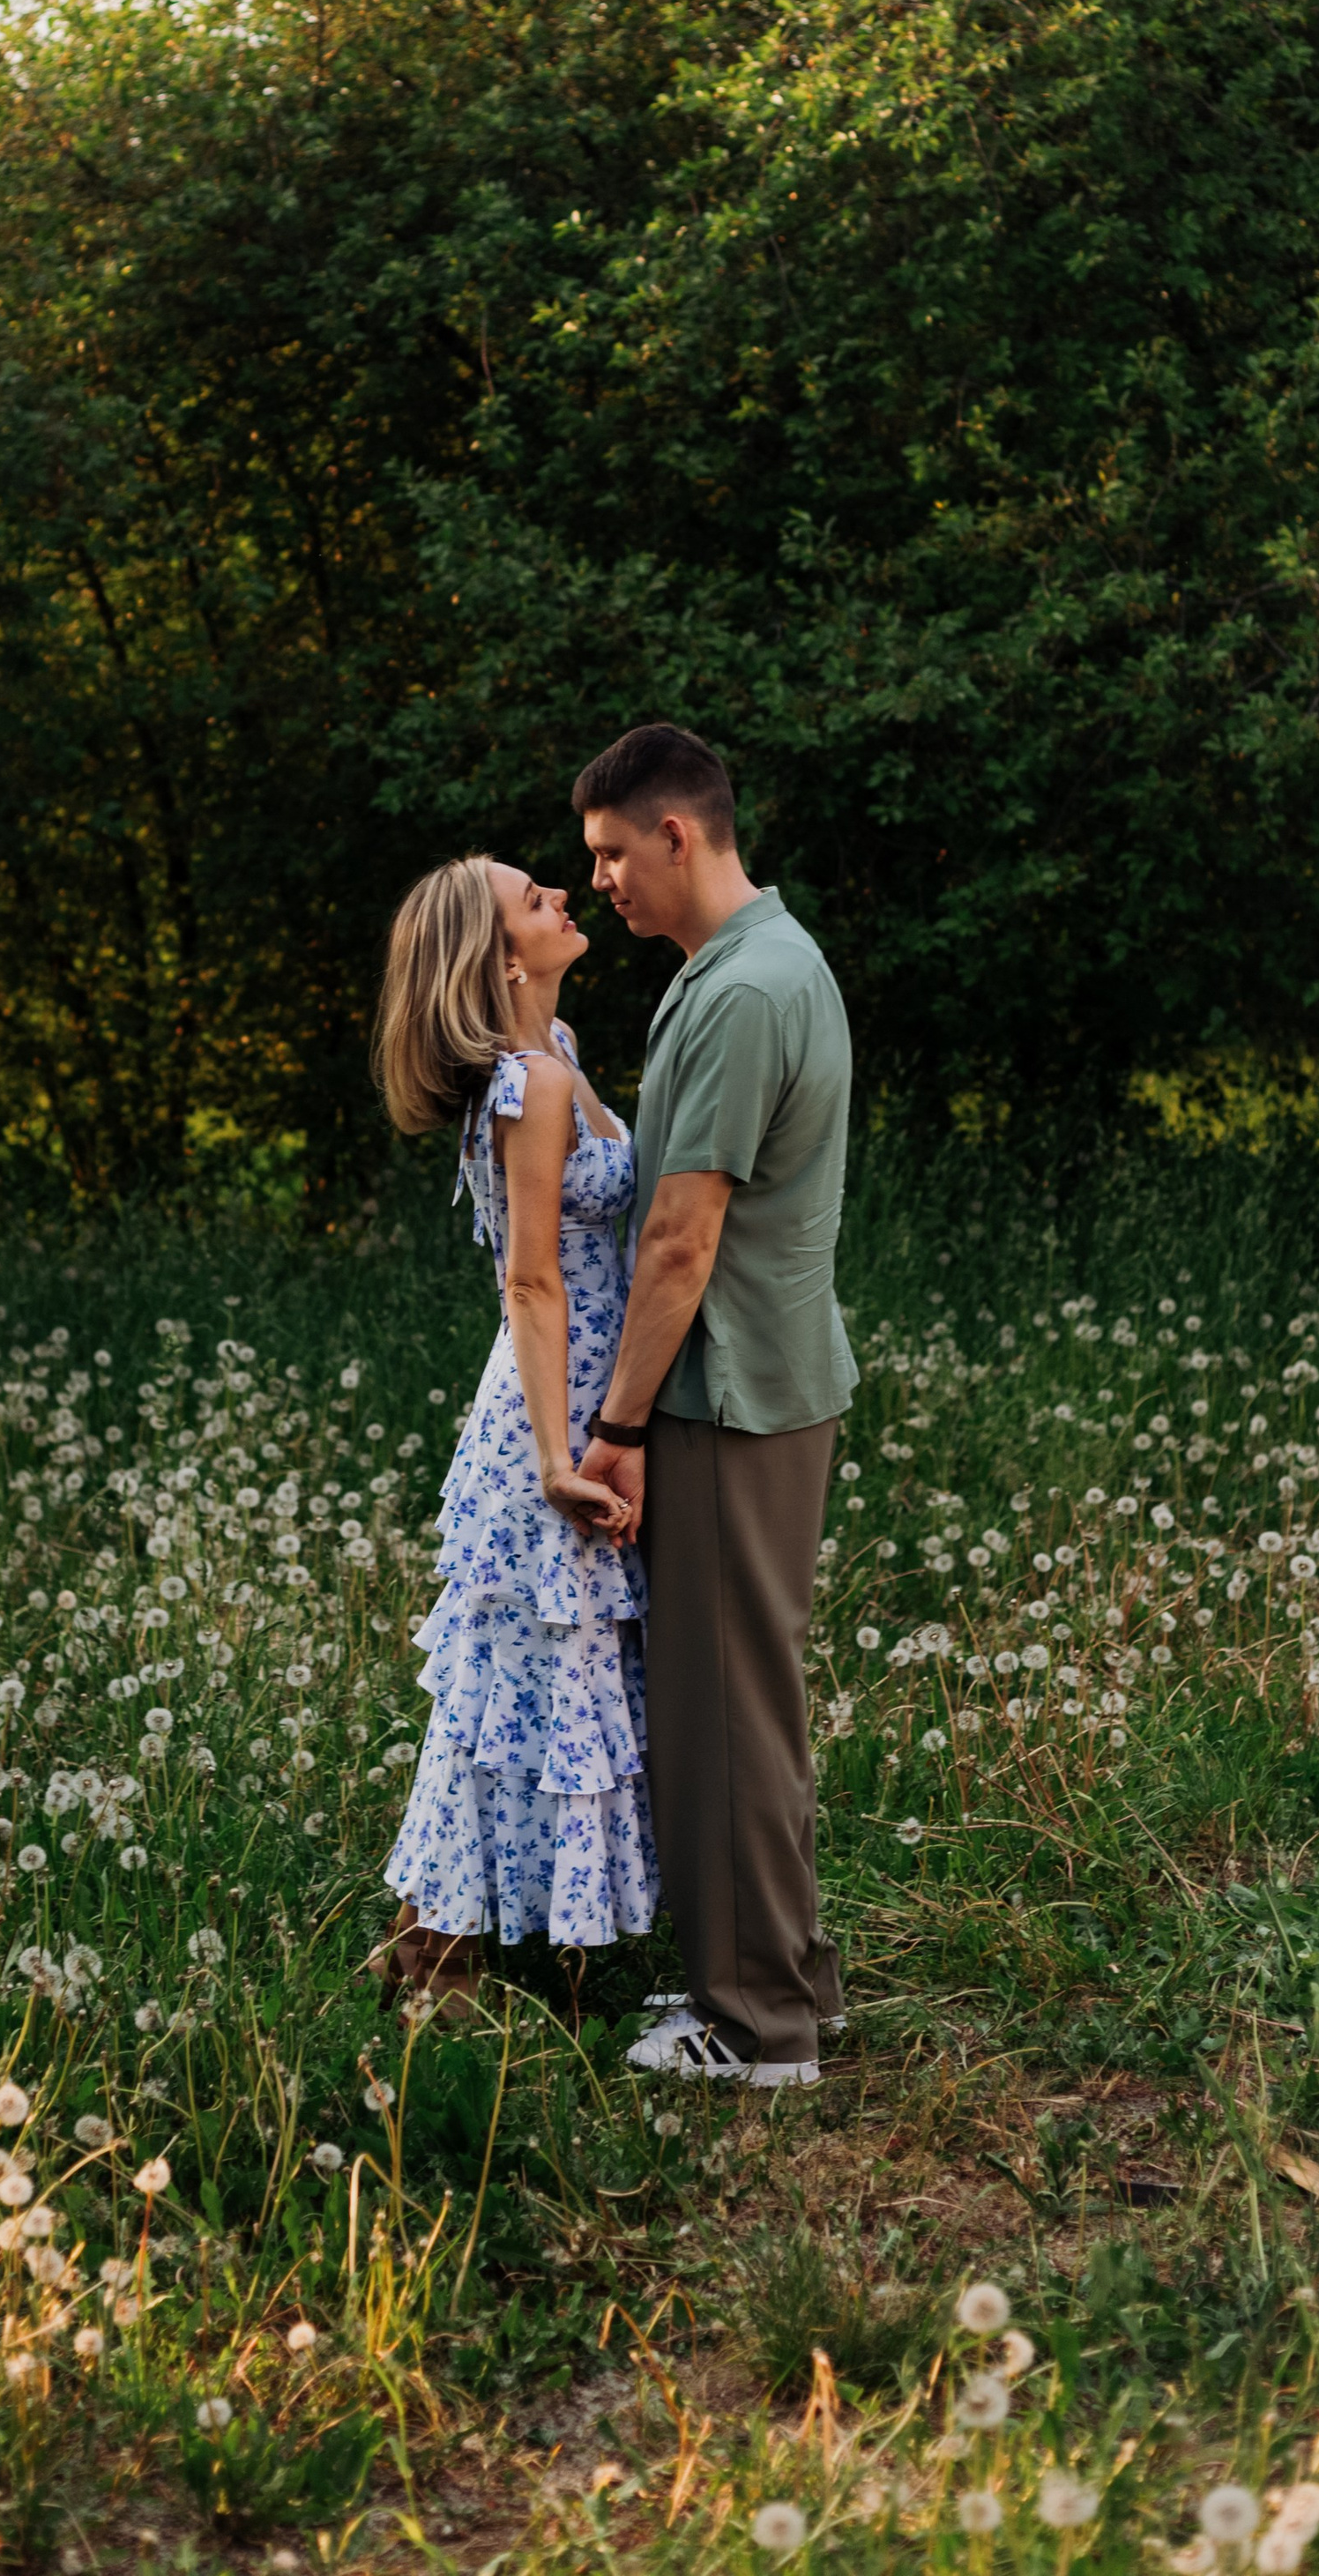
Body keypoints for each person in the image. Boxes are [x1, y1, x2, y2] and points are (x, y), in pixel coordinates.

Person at [573, 724, 855, 2088]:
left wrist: (616, 1426)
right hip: (753, 1386)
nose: (603, 882)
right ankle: (792, 1978)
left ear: (678, 834)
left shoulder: (748, 991)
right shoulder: (739, 968)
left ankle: (756, 2029)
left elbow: (683, 1238)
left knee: (726, 1711)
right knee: (752, 1697)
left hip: (732, 1395)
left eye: (614, 853)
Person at [368, 852, 658, 2000]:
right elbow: (531, 1283)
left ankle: (554, 1948)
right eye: (538, 901)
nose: (564, 902)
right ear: (500, 955)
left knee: (556, 1681)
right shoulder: (526, 1086)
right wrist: (554, 1458)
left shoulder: (561, 1053)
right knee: (507, 1692)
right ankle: (434, 1955)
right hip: (546, 1414)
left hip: (586, 1399)